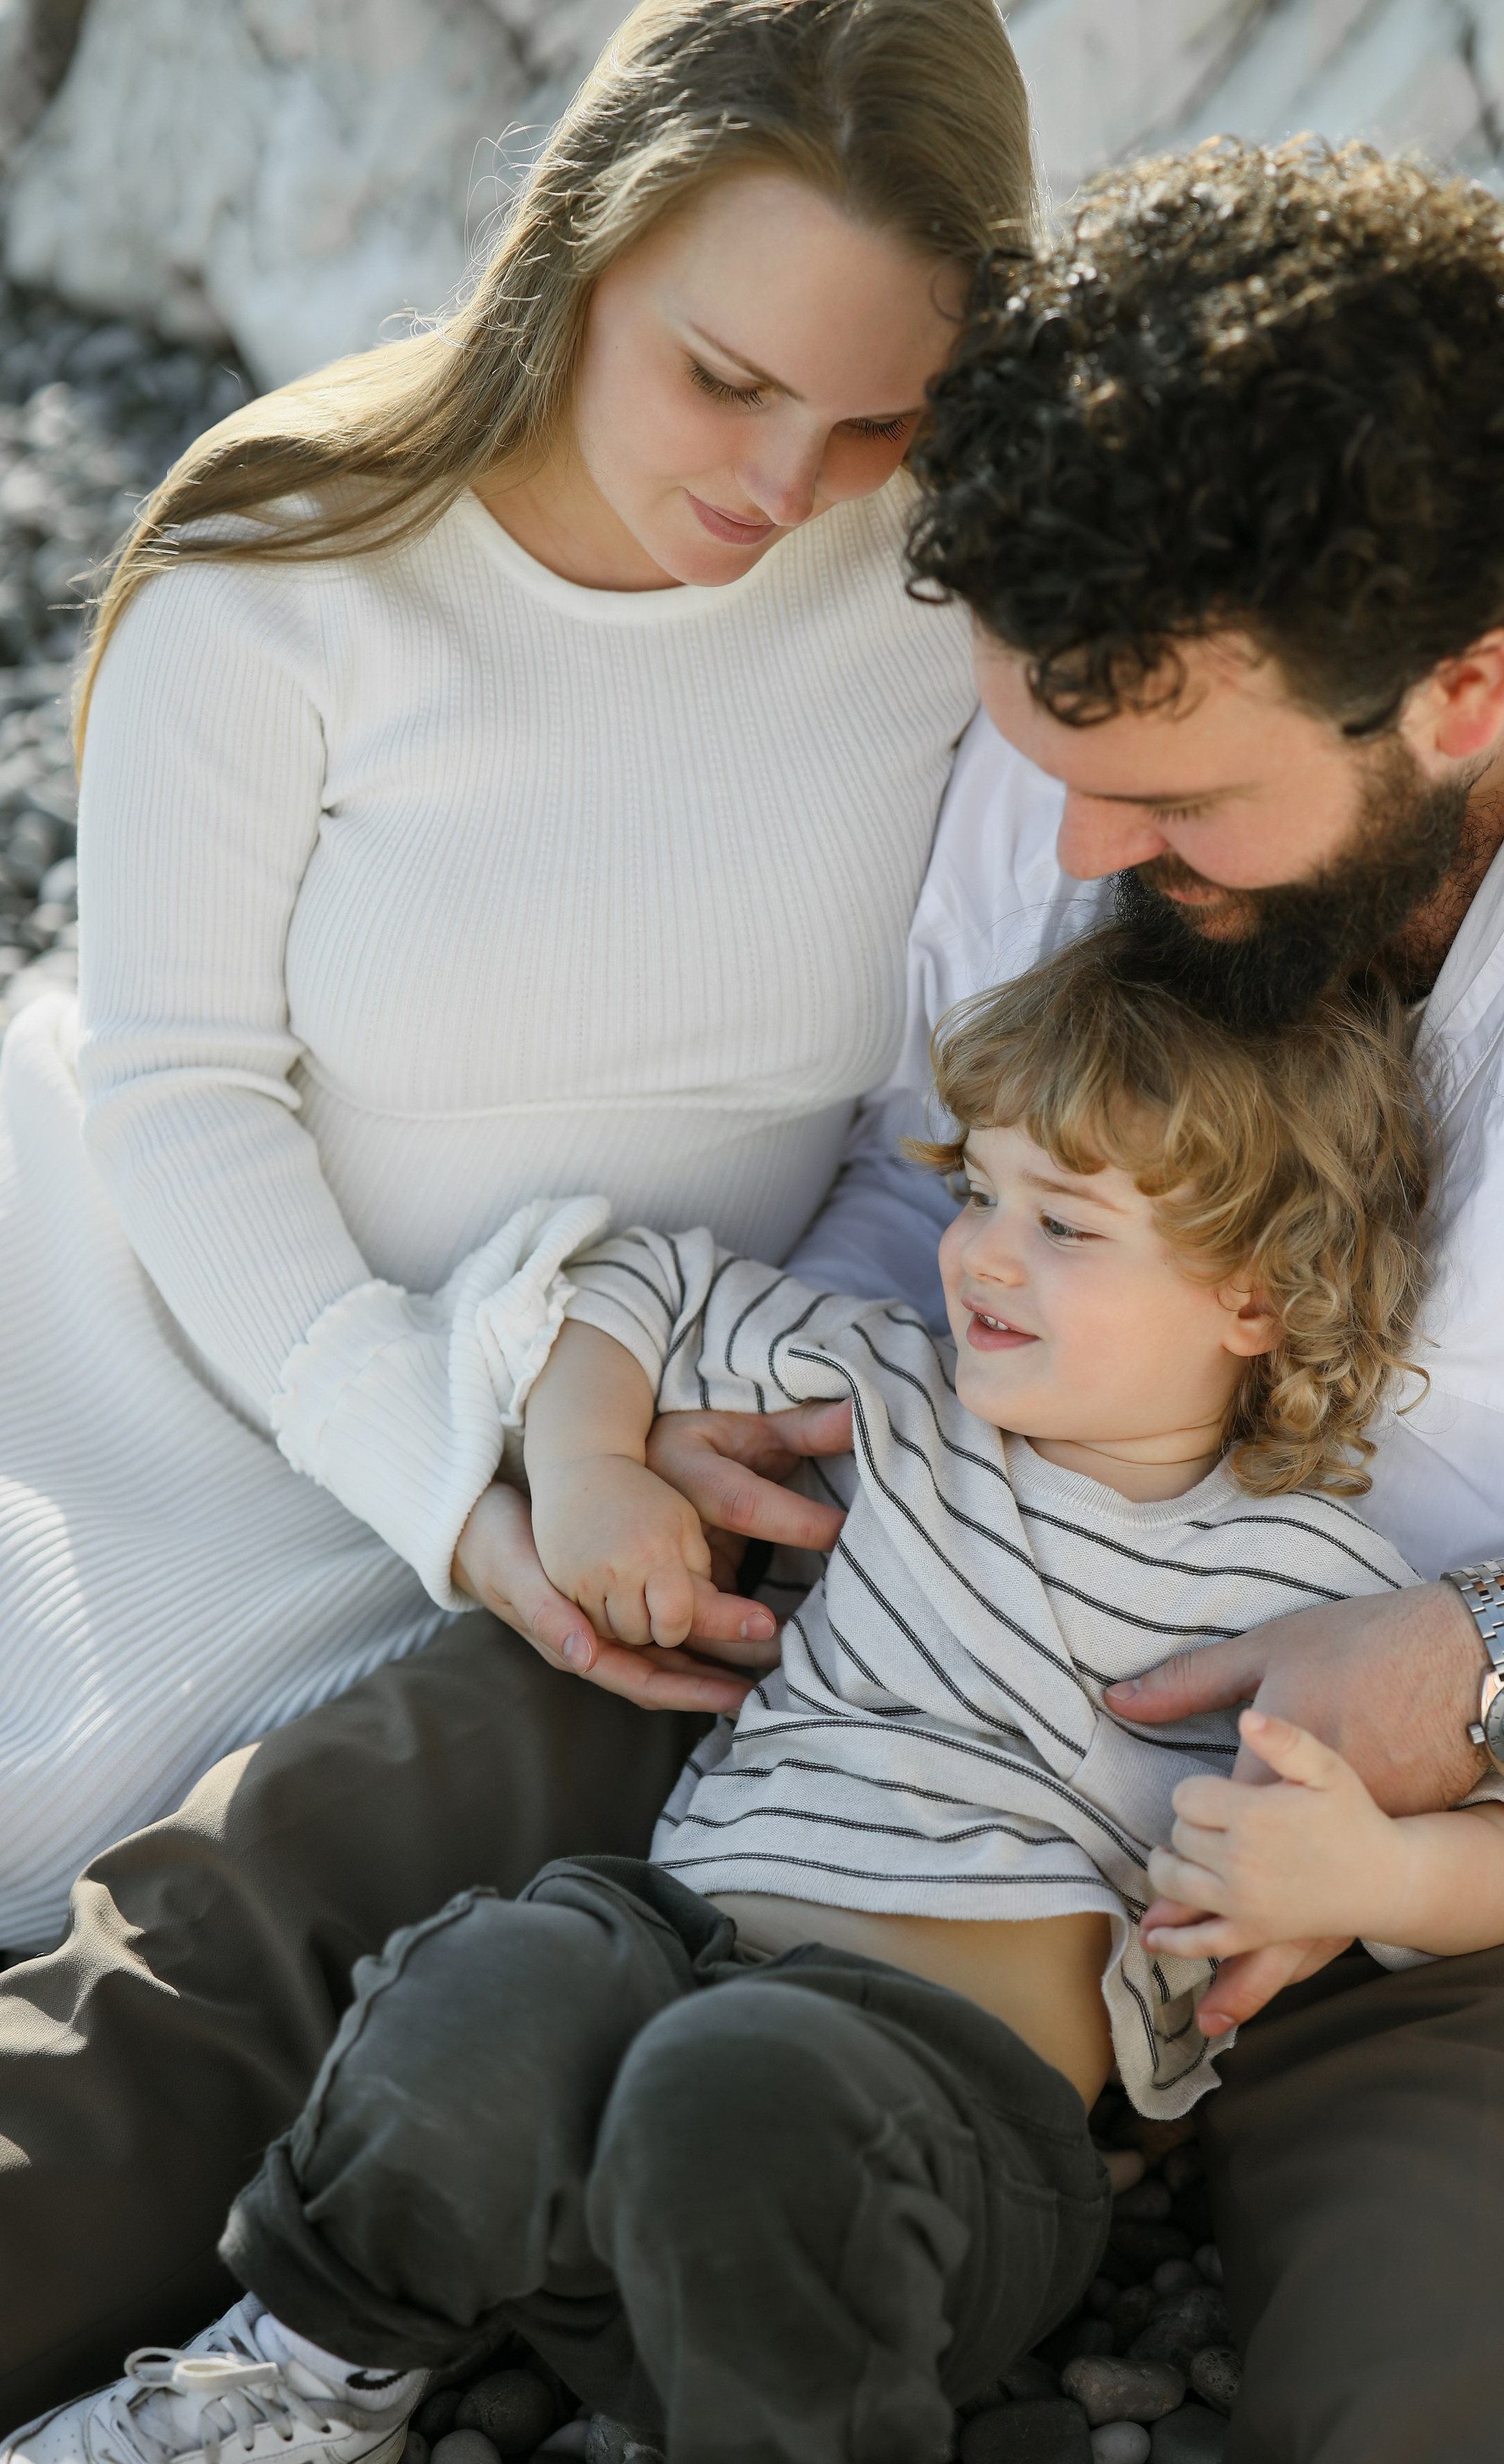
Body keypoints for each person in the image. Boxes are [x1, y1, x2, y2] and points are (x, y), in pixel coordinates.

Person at [5, 132, 1504, 2464]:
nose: (1077, 843)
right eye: (1044, 763)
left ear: (1470, 688)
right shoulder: (1104, 705)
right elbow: (906, 1164)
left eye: (1163, 800)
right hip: (935, 1568)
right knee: (313, 1870)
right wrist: (748, 1418)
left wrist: (1502, 1656)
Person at [0, 928, 1504, 2464]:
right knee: (503, 1963)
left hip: (914, 2178)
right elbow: (628, 1284)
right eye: (977, 1192)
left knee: (744, 2074)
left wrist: (1362, 1882)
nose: (981, 1254)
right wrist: (587, 1463)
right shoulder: (888, 1394)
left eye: (1062, 1225)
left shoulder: (1321, 1588)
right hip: (615, 2088)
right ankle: (312, 2373)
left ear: (1260, 1296)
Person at [0, 0, 1034, 1954]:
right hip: (179, 1340)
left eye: (879, 419)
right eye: (724, 379)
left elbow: (929, 1129)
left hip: (632, 1429)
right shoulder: (280, 565)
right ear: (582, 239)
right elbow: (177, 1090)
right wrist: (449, 1483)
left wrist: (687, 1392)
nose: (787, 484)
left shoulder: (951, 597)